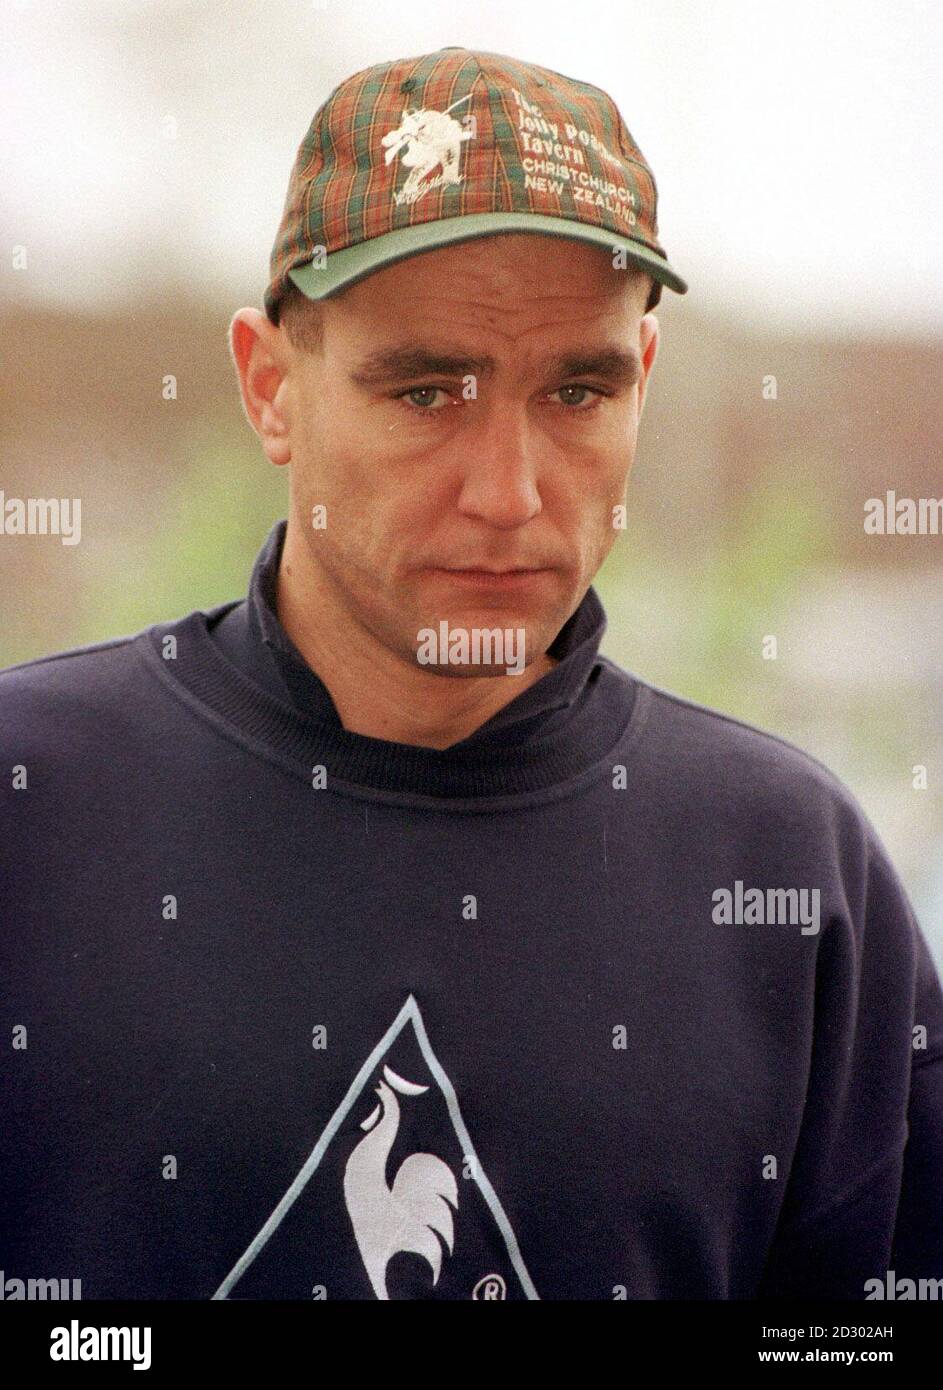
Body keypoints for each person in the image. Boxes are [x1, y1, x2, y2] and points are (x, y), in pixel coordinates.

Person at [1, 46, 941, 1302]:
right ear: (270, 387)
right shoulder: (36, 803)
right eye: (428, 390)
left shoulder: (787, 868)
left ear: (643, 386)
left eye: (577, 390)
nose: (509, 493)